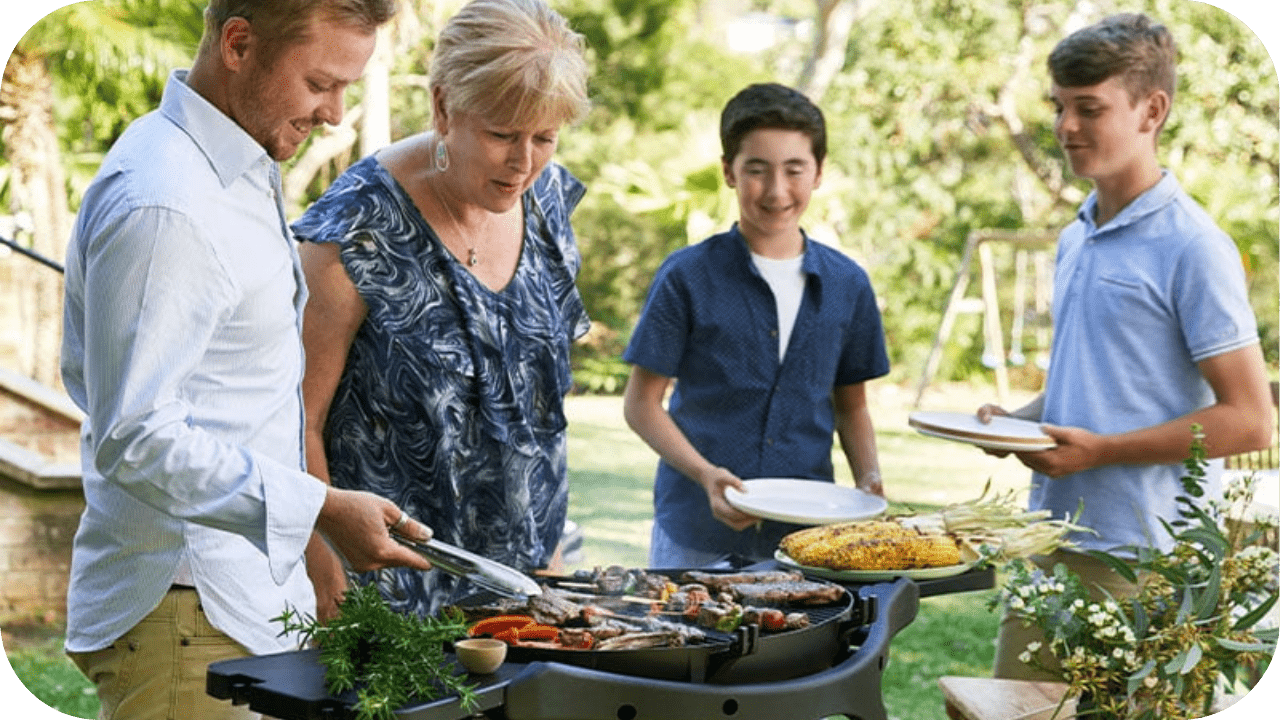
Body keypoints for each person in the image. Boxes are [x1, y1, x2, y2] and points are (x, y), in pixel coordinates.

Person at [59, 2, 435, 718]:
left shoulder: (232, 163)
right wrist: (321, 507)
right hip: (186, 616)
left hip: (227, 609)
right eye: (320, 83)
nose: (335, 114)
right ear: (238, 44)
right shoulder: (167, 201)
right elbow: (136, 437)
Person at [977, 13, 1275, 680]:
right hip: (1051, 537)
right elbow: (1095, 382)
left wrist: (1102, 452)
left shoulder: (1193, 247)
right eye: (1058, 106)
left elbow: (1251, 420)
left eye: (1089, 108)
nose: (1065, 127)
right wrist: (1016, 425)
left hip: (1147, 559)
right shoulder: (1075, 236)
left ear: (1152, 110)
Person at [291, 0, 592, 621]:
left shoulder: (548, 202)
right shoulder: (355, 229)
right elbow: (296, 419)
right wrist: (323, 572)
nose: (524, 163)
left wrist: (554, 556)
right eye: (502, 135)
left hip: (528, 590)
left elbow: (540, 411)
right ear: (443, 107)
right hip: (386, 595)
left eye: (544, 138)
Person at [622, 83, 890, 569]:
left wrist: (868, 481)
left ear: (819, 172)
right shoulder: (686, 276)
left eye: (794, 170)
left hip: (805, 541)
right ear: (729, 171)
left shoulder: (848, 284)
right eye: (757, 170)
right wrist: (705, 474)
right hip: (695, 532)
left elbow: (852, 408)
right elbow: (641, 405)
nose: (776, 191)